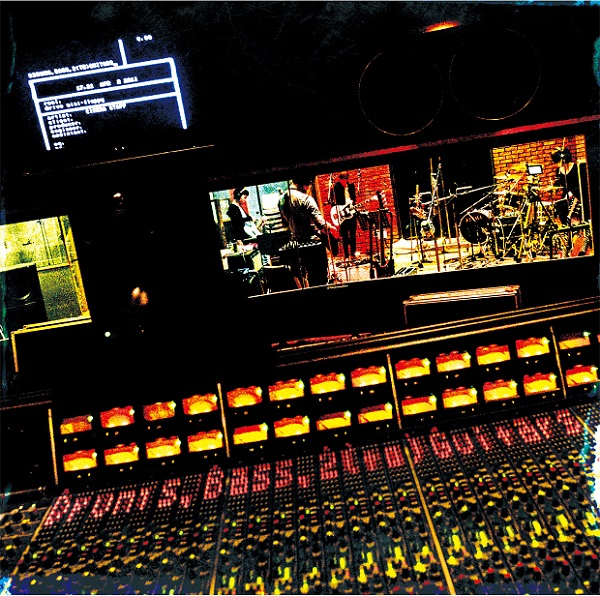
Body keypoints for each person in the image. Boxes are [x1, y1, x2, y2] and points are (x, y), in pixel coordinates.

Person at [278, 176, 332, 287]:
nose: (308, 188)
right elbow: (321, 224)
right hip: (314, 245)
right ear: (304, 184)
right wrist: (332, 227)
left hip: (297, 244)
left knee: (305, 278)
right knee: (319, 280)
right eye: (308, 185)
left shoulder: (281, 200)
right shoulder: (306, 198)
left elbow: (285, 223)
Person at [330, 171, 358, 260]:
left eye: (346, 179)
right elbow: (333, 202)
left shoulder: (351, 186)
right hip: (342, 213)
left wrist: (353, 205)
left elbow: (354, 198)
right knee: (344, 234)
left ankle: (353, 253)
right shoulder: (336, 187)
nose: (345, 182)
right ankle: (346, 255)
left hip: (351, 211)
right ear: (340, 179)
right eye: (343, 180)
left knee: (353, 233)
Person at [551, 147, 580, 225]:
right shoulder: (559, 171)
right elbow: (557, 184)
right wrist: (553, 188)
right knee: (560, 207)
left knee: (572, 212)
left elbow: (581, 184)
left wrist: (572, 193)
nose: (557, 164)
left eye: (557, 161)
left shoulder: (576, 168)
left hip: (577, 194)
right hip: (566, 195)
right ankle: (565, 226)